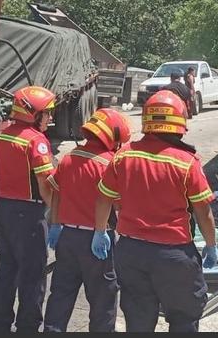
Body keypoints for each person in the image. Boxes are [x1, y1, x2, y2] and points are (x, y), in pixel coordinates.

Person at [93, 90, 217, 333]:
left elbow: (102, 198)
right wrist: (211, 244)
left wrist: (100, 231)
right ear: (180, 123)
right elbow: (203, 212)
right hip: (173, 256)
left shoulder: (124, 155)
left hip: (130, 252)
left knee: (138, 320)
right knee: (183, 318)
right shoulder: (187, 162)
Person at [43, 108, 132, 333]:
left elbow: (56, 194)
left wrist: (54, 225)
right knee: (103, 299)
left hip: (67, 237)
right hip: (97, 240)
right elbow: (119, 204)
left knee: (61, 294)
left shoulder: (69, 157)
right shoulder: (110, 164)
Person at [0, 86, 58, 333]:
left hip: (3, 208)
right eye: (47, 113)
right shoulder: (36, 141)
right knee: (32, 274)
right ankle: (28, 327)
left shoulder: (3, 135)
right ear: (33, 113)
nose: (50, 118)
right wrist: (57, 218)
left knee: (6, 270)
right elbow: (44, 184)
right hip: (28, 214)